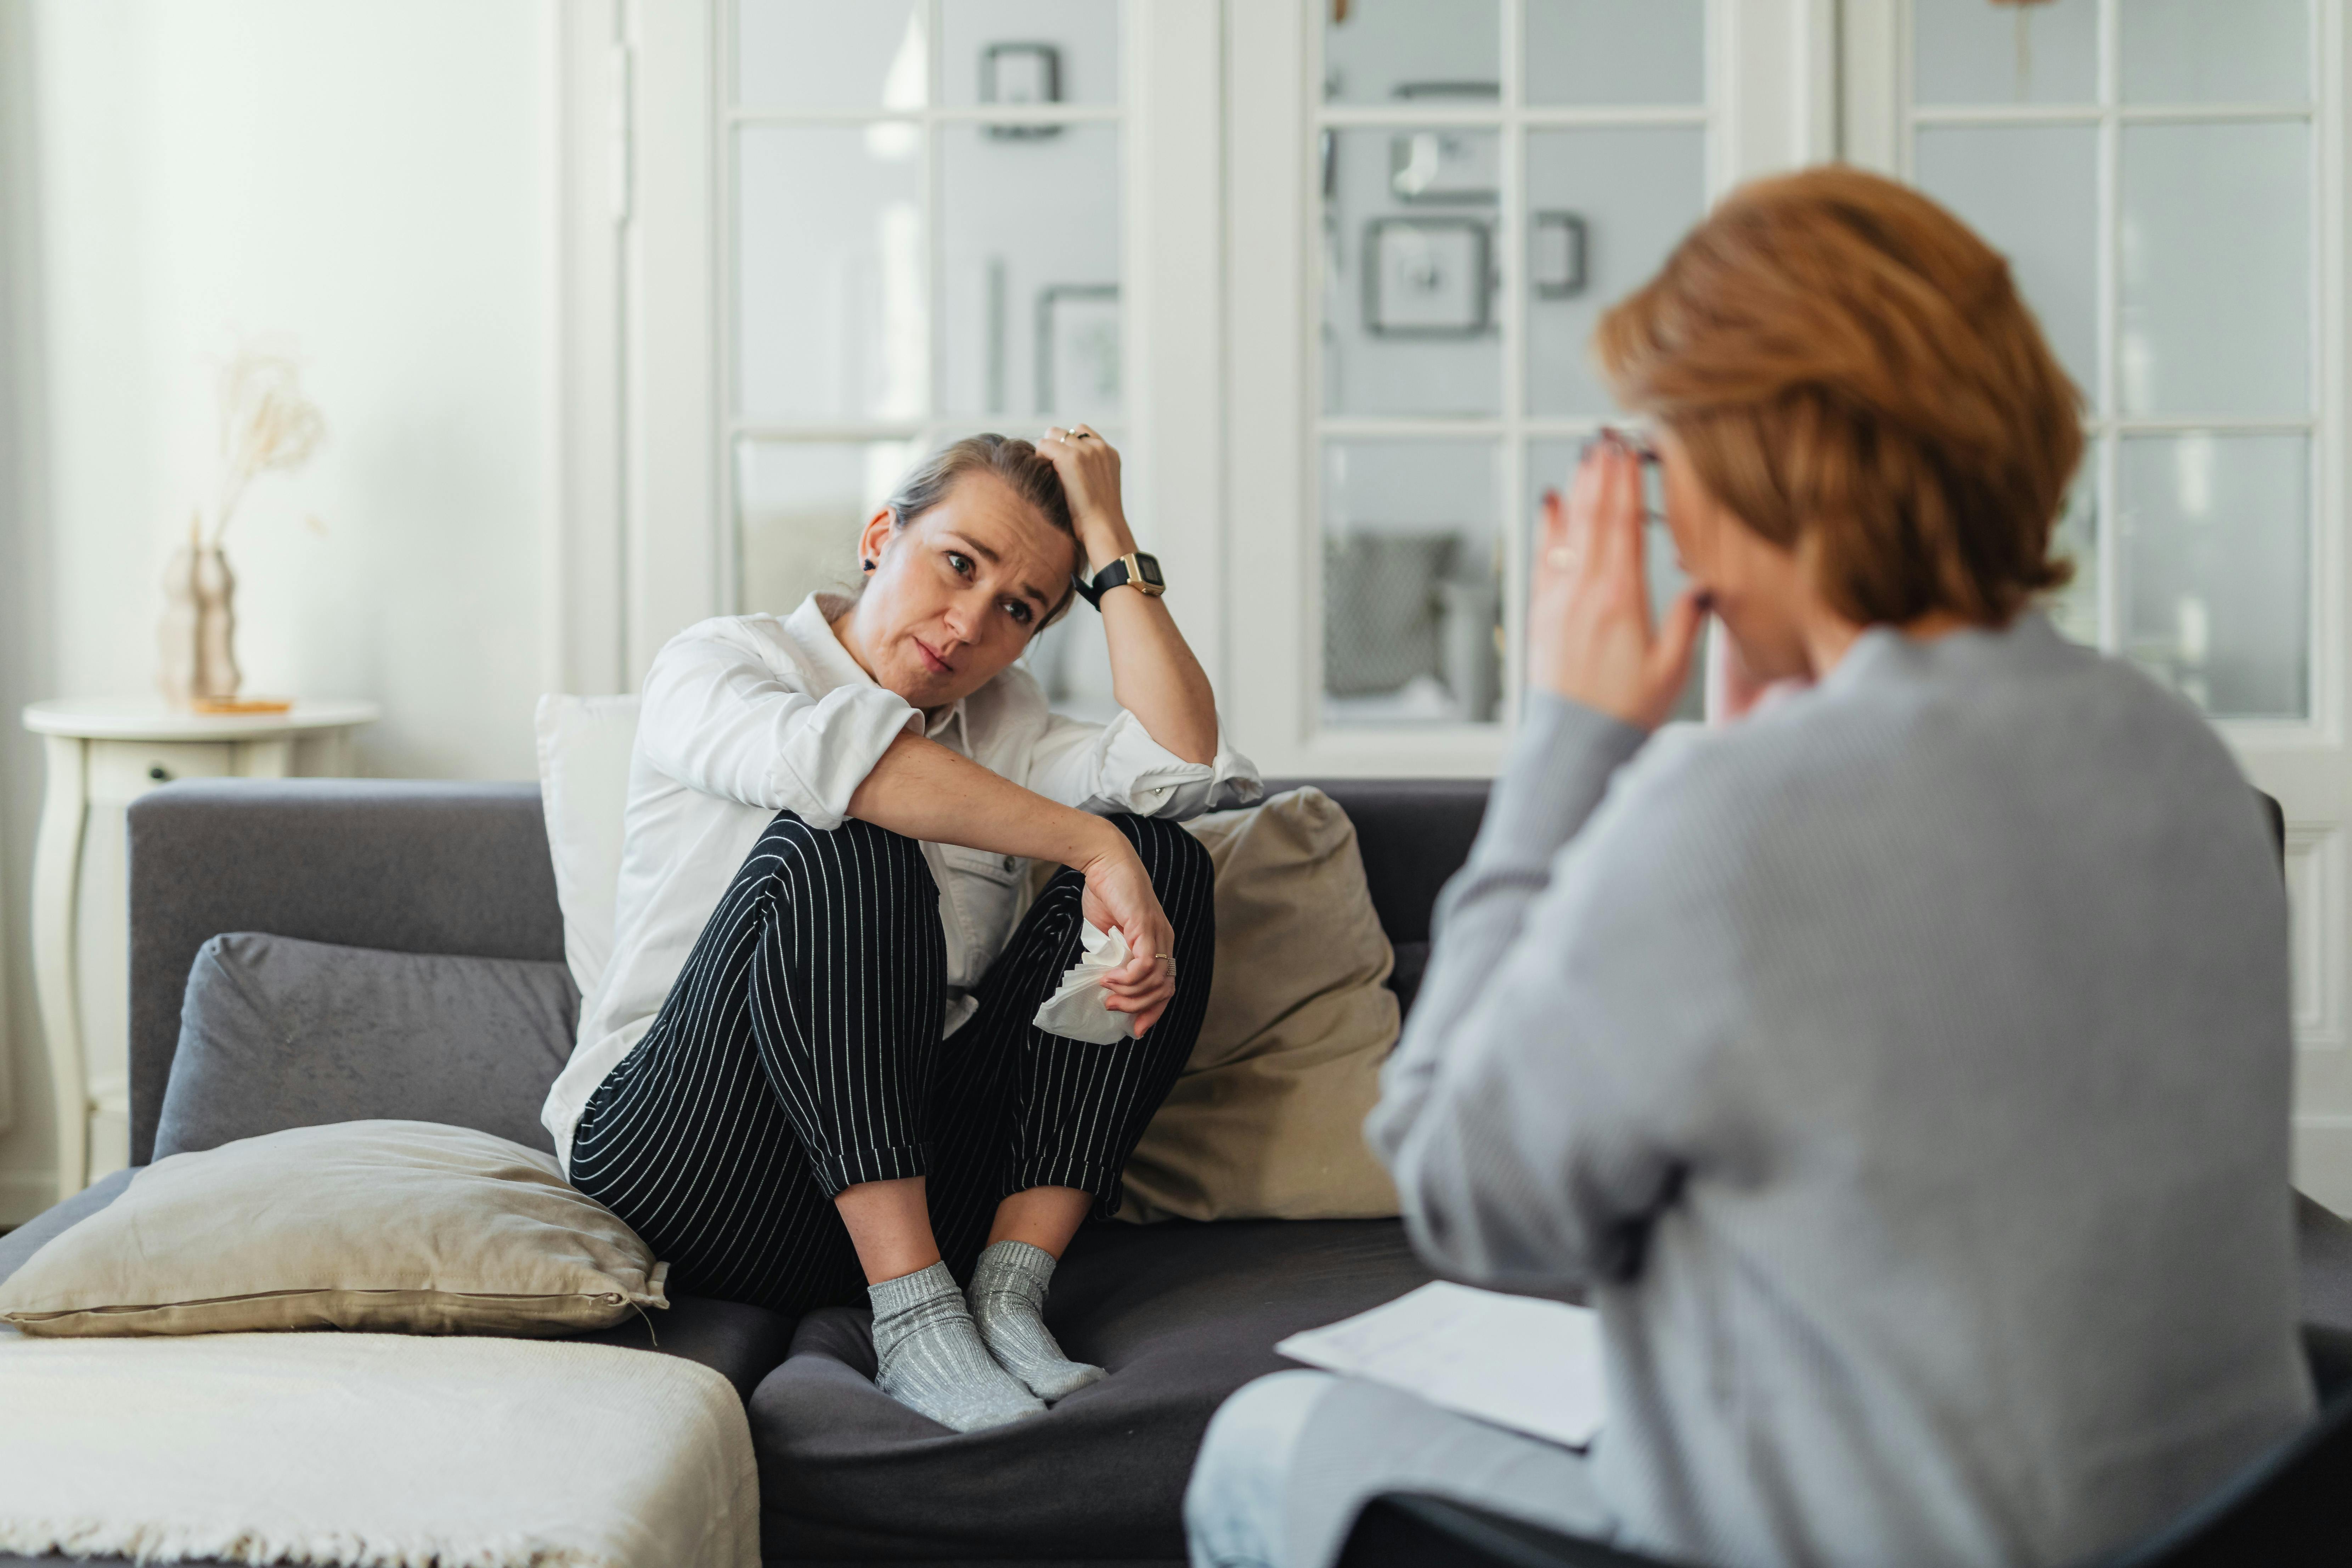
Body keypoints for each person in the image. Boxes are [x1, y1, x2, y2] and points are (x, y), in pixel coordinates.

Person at [1186, 167, 2314, 1568]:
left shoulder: (1729, 819)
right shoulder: (2179, 757)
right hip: (2203, 1528)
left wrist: (1563, 749)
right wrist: (1760, 735)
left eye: (1667, 466)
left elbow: (1465, 1197)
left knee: (1260, 1446)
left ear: (1763, 464)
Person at [545, 427, 1257, 1432]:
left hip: (911, 1175)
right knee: (851, 835)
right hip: (689, 1157)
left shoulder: (1000, 720)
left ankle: (1004, 1297)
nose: (969, 623)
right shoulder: (722, 662)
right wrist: (1092, 847)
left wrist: (1110, 536)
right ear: (882, 534)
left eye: (1018, 608)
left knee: (1168, 856)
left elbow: (1184, 762)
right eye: (957, 563)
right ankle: (917, 1321)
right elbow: (854, 766)